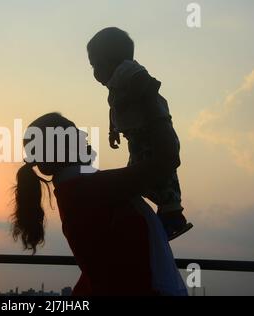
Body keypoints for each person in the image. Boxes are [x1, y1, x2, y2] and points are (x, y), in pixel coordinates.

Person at [10, 112, 187, 296]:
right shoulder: (91, 188)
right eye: (75, 132)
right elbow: (168, 159)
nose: (84, 136)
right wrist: (156, 111)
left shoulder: (79, 190)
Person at [87, 27, 193, 240]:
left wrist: (129, 99)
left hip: (150, 135)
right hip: (137, 138)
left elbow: (150, 84)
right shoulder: (116, 83)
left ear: (111, 59)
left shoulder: (127, 70)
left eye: (96, 64)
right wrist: (112, 130)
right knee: (143, 176)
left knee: (160, 177)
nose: (95, 72)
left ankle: (172, 216)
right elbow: (114, 109)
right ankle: (163, 216)